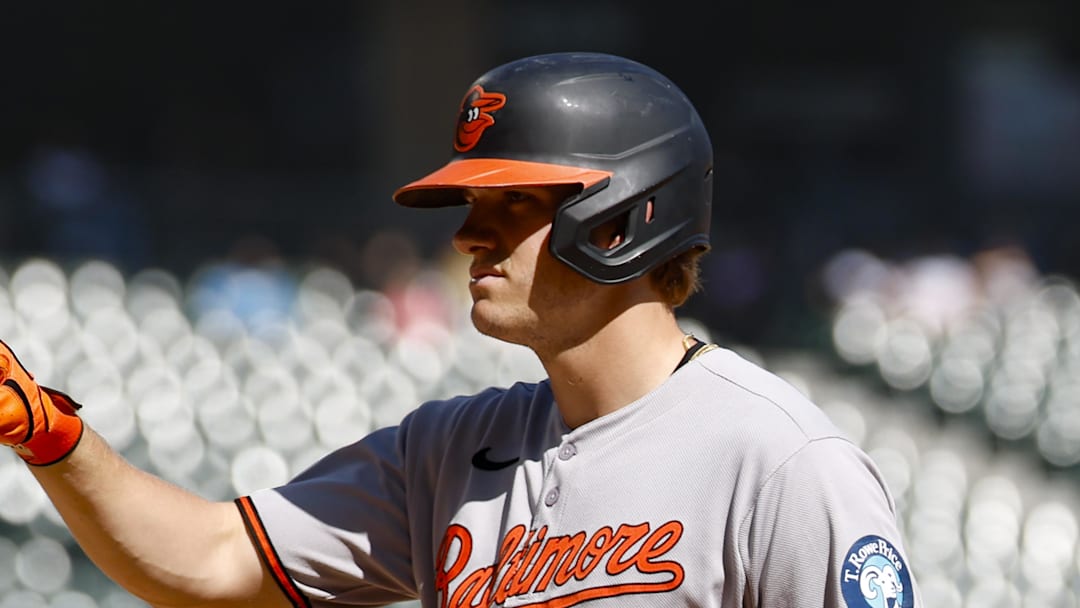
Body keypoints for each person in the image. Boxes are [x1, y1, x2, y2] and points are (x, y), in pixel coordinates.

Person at [0, 52, 920, 608]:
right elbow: (206, 562)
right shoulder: (449, 450)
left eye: (511, 204)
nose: (467, 236)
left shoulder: (777, 458)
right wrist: (55, 436)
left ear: (625, 217)